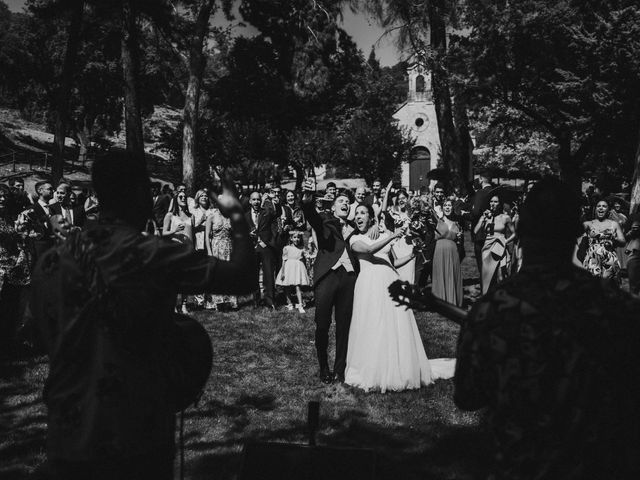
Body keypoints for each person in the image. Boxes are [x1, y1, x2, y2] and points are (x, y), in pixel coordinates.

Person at [30, 151, 256, 480]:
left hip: (68, 431)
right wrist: (236, 214)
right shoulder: (150, 254)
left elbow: (46, 337)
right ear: (140, 193)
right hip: (134, 431)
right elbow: (243, 276)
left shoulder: (49, 263)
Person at [454, 177, 640, 480]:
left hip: (520, 464)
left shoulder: (493, 309)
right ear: (577, 232)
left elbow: (467, 395)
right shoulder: (616, 306)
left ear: (522, 233)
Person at [345, 204, 455, 392]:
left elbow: (393, 261)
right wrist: (393, 235)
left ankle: (398, 367)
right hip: (369, 285)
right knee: (372, 325)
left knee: (393, 326)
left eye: (362, 213)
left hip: (389, 282)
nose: (358, 216)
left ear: (371, 218)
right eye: (356, 214)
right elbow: (370, 250)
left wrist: (413, 254)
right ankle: (373, 368)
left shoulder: (382, 236)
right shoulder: (355, 238)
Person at [301, 179, 359, 383]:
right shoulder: (325, 220)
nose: (345, 203)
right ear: (333, 205)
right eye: (341, 200)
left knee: (344, 325)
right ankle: (324, 367)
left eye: (347, 202)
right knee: (323, 324)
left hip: (349, 278)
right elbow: (311, 216)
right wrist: (308, 200)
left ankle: (339, 369)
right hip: (327, 277)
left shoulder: (355, 226)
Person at [474, 195, 515, 294]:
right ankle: (486, 297)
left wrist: (506, 241)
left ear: (499, 204)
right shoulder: (486, 217)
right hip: (487, 247)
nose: (493, 204)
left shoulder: (505, 218)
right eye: (491, 201)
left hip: (500, 247)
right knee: (486, 276)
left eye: (496, 202)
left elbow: (515, 233)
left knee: (501, 276)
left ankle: (501, 299)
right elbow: (475, 231)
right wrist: (482, 219)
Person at [163, 190, 195, 313]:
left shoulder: (190, 216)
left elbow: (192, 234)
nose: (183, 198)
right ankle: (174, 305)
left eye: (184, 197)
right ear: (176, 200)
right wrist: (174, 230)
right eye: (180, 197)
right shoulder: (170, 215)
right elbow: (164, 233)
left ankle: (184, 304)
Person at [246, 191, 278, 309]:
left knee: (269, 274)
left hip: (266, 247)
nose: (256, 202)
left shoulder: (267, 213)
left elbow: (274, 225)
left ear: (261, 201)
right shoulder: (245, 215)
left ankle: (271, 301)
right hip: (252, 248)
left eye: (258, 199)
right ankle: (256, 301)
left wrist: (269, 242)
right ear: (250, 201)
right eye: (253, 199)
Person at [205, 200, 239, 310]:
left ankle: (230, 301)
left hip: (229, 247)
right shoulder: (211, 216)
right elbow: (207, 236)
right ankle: (217, 302)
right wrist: (209, 252)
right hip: (216, 247)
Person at [581, 199, 624, 282]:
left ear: (608, 210)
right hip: (592, 258)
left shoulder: (614, 224)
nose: (601, 208)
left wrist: (613, 239)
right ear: (595, 209)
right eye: (598, 206)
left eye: (604, 206)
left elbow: (623, 242)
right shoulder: (588, 224)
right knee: (592, 286)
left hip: (609, 258)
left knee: (610, 287)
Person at [431, 199, 464, 307]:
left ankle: (452, 300)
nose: (447, 207)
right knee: (440, 273)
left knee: (452, 274)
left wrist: (459, 238)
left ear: (452, 208)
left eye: (449, 205)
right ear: (442, 208)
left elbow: (460, 241)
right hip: (440, 251)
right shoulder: (437, 220)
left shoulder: (457, 223)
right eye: (445, 205)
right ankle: (440, 301)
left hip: (453, 252)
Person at [275, 230, 310, 313]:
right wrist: (283, 272)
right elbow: (284, 260)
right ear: (291, 239)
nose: (296, 239)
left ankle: (300, 305)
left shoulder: (302, 248)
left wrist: (311, 254)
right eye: (294, 237)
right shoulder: (287, 248)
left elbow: (307, 256)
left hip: (298, 268)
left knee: (297, 286)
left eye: (298, 237)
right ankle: (289, 303)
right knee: (287, 286)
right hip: (288, 268)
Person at [470, 172, 494, 286]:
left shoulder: (480, 193)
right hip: (493, 230)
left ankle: (484, 288)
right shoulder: (494, 191)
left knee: (481, 263)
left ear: (481, 179)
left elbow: (475, 212)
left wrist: (467, 214)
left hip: (480, 231)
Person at [626, 214, 640, 295]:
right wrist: (633, 231)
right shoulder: (635, 217)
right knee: (634, 288)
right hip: (636, 252)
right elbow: (626, 236)